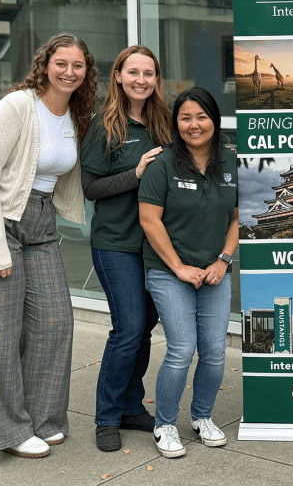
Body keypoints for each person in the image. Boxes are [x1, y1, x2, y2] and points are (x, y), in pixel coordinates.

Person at [0, 34, 94, 458]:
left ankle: (43, 418)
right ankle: (8, 430)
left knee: (55, 321)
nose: (69, 72)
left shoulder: (76, 114)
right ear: (45, 64)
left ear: (87, 71)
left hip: (38, 222)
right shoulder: (18, 105)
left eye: (78, 65)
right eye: (61, 63)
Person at [80, 46, 173, 452]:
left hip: (156, 245)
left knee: (145, 328)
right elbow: (91, 188)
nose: (141, 80)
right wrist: (135, 174)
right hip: (116, 243)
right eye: (132, 72)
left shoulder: (164, 124)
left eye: (148, 73)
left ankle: (132, 406)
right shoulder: (105, 125)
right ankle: (106, 417)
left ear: (156, 79)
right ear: (118, 76)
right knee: (129, 327)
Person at [138, 87, 238, 459]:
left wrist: (222, 261)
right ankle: (164, 423)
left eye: (201, 117)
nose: (194, 125)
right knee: (182, 348)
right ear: (175, 122)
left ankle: (202, 417)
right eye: (185, 117)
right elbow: (149, 220)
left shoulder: (231, 163)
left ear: (214, 120)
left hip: (214, 270)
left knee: (214, 351)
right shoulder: (162, 163)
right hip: (168, 271)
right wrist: (179, 267)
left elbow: (237, 218)